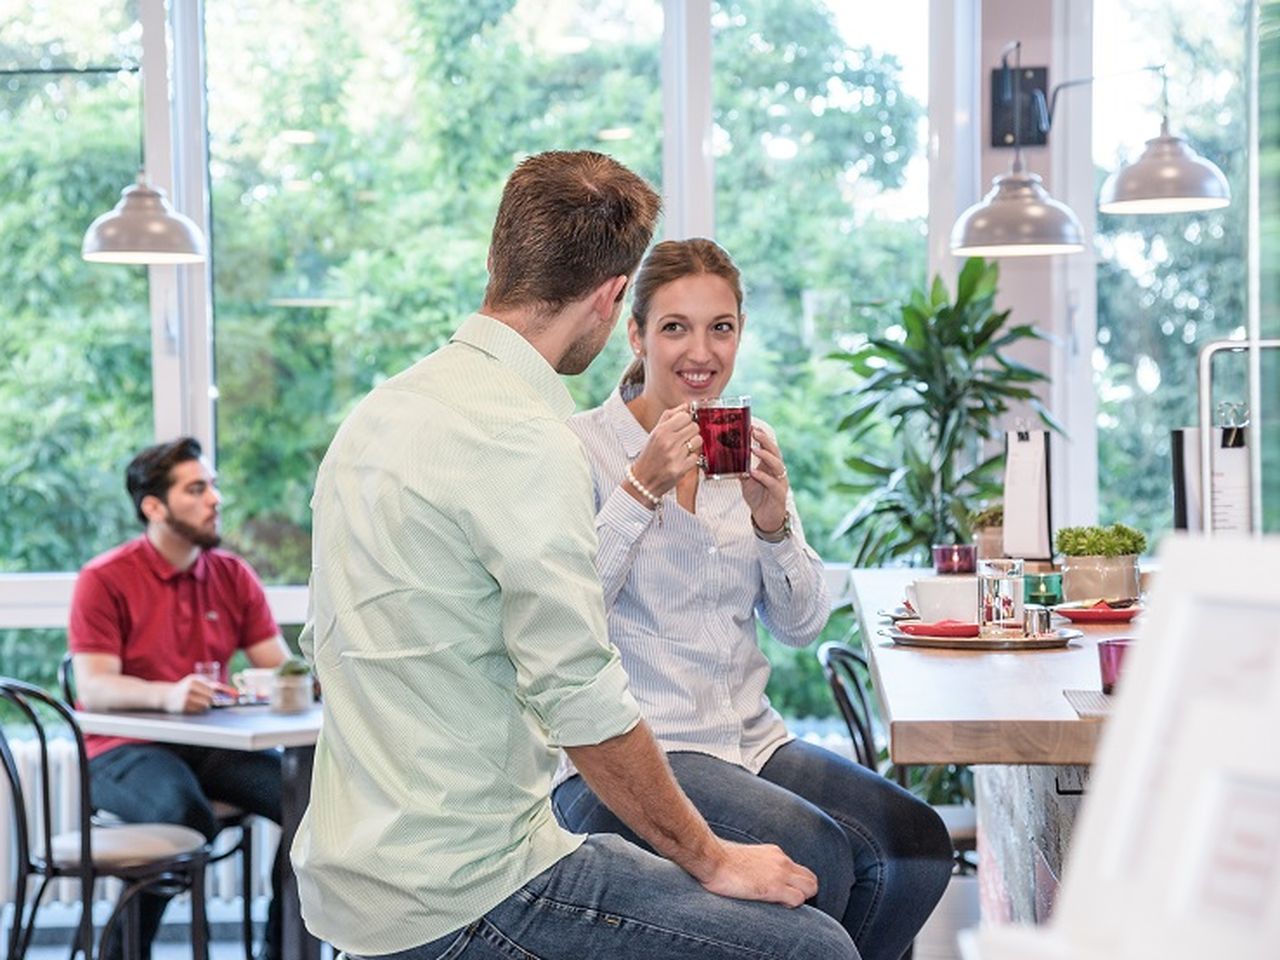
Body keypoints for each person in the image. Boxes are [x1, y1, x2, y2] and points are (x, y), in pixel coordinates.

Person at [292, 151, 856, 960]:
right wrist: (713, 858)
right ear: (612, 301)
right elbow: (580, 700)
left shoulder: (380, 415)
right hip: (471, 889)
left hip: (353, 885)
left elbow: (323, 646)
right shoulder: (530, 440)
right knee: (813, 949)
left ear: (500, 261)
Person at [550, 238, 955, 960]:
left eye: (721, 327)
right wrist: (640, 489)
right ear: (636, 335)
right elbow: (562, 612)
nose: (699, 351)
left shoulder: (742, 449)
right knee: (818, 856)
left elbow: (799, 627)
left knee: (913, 846)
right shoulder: (577, 450)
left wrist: (774, 518)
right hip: (637, 750)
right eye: (675, 327)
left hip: (748, 738)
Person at [68, 436, 293, 960]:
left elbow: (279, 668)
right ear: (154, 506)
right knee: (184, 814)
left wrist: (312, 673)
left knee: (309, 807)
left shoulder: (232, 575)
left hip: (210, 745)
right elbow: (94, 686)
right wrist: (168, 695)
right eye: (197, 489)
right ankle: (123, 955)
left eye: (213, 485)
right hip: (120, 748)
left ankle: (282, 953)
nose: (215, 499)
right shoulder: (104, 578)